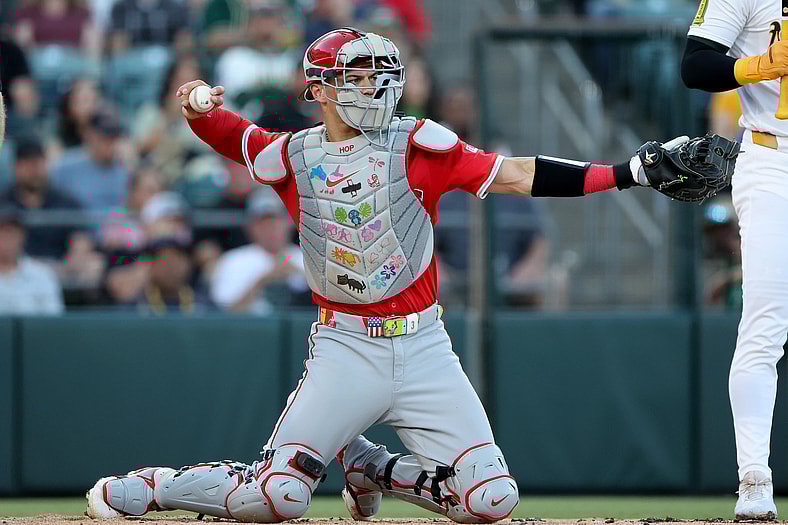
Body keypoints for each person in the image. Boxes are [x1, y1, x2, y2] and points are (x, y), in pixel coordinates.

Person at [85, 28, 721, 523]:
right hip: (345, 346)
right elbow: (234, 137)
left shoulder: (420, 142)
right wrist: (198, 108)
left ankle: (375, 469)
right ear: (323, 89)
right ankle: (154, 484)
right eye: (359, 77)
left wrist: (631, 171)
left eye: (380, 74)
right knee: (276, 498)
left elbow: (521, 174)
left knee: (490, 500)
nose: (376, 86)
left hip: (424, 347)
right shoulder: (295, 155)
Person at [680, 1, 788, 519]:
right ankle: (754, 479)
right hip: (774, 160)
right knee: (765, 325)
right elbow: (695, 65)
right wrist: (759, 65)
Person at [210, 186, 308, 314]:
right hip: (250, 331)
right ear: (250, 227)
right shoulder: (233, 261)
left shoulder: (307, 258)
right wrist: (263, 280)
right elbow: (226, 313)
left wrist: (302, 276)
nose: (270, 228)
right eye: (263, 222)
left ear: (288, 223)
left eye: (275, 221)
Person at [51, 109, 130, 212]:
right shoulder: (64, 166)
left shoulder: (123, 170)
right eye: (105, 137)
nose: (110, 143)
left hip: (115, 226)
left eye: (114, 138)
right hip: (73, 226)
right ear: (89, 134)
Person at [0, 204, 64, 314]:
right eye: (2, 232)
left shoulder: (42, 275)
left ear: (22, 236)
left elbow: (54, 322)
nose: (6, 238)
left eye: (11, 232)